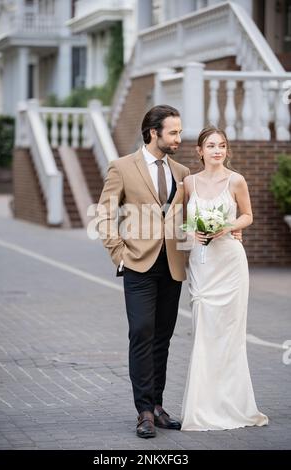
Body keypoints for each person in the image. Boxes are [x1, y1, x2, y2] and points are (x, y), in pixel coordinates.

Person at [97, 105, 190, 438]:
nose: (179, 137)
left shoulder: (182, 172)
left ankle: (159, 406)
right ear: (154, 132)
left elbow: (186, 218)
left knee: (162, 338)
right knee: (141, 332)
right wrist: (118, 253)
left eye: (179, 131)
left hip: (173, 265)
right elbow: (105, 214)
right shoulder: (122, 167)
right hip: (137, 263)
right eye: (174, 132)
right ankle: (144, 411)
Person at [181, 126, 269, 431]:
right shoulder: (188, 183)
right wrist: (194, 231)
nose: (217, 150)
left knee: (229, 335)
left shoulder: (236, 180)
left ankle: (234, 405)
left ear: (226, 150)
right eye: (211, 145)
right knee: (204, 330)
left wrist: (229, 225)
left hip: (230, 262)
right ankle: (202, 407)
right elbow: (179, 222)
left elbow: (248, 215)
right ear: (199, 151)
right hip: (202, 264)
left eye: (222, 145)